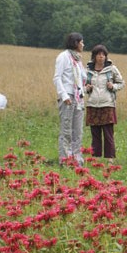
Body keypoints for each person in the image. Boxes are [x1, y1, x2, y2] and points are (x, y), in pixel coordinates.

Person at [84, 45, 124, 164]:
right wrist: (87, 88)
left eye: (103, 54)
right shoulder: (87, 70)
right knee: (95, 133)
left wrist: (114, 87)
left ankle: (110, 158)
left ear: (106, 56)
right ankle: (95, 157)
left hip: (107, 104)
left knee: (108, 133)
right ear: (94, 56)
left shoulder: (111, 69)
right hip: (92, 104)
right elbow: (81, 86)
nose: (101, 57)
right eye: (99, 54)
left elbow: (121, 83)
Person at [53, 32, 87, 166]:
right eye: (81, 42)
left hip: (79, 97)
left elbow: (82, 77)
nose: (83, 45)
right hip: (68, 96)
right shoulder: (63, 57)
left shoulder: (78, 59)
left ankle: (77, 159)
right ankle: (65, 160)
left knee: (78, 130)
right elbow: (57, 77)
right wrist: (64, 95)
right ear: (75, 43)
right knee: (66, 130)